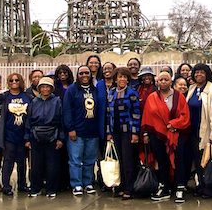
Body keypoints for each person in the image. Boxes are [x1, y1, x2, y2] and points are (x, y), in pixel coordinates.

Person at [142, 70, 191, 202]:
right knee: (161, 161)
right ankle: (164, 187)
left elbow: (185, 115)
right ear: (157, 81)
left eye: (166, 80)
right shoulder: (152, 97)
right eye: (161, 80)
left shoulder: (178, 96)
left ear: (171, 82)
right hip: (157, 134)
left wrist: (174, 124)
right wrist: (146, 133)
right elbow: (147, 117)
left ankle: (180, 187)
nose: (163, 82)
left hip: (175, 134)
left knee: (178, 160)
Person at [62, 65, 104, 196]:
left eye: (87, 73)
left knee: (90, 160)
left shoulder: (95, 90)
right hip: (77, 132)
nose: (84, 75)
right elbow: (67, 110)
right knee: (75, 160)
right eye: (81, 73)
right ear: (77, 75)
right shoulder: (72, 90)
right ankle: (77, 184)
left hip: (92, 131)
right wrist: (71, 129)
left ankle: (88, 183)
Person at [0, 72, 31, 196]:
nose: (14, 83)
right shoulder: (3, 97)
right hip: (8, 135)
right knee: (8, 161)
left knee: (22, 162)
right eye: (11, 81)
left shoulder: (27, 97)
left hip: (23, 135)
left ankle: (22, 185)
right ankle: (6, 186)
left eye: (16, 80)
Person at [186, 63, 212, 199]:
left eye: (202, 72)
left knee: (209, 161)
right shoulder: (192, 89)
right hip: (193, 133)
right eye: (196, 72)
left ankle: (211, 189)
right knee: (198, 162)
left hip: (207, 133)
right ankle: (202, 186)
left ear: (207, 74)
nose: (198, 75)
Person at [105, 67, 140, 199]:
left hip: (128, 132)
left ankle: (129, 188)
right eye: (120, 77)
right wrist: (109, 132)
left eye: (125, 77)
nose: (122, 79)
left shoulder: (132, 93)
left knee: (128, 160)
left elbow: (136, 113)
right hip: (116, 131)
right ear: (115, 78)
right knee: (119, 159)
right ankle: (120, 186)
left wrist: (135, 133)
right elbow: (109, 114)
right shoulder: (112, 93)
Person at [25, 77, 64, 198]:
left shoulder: (57, 101)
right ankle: (35, 188)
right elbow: (28, 120)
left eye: (48, 87)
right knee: (36, 164)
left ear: (51, 88)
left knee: (52, 164)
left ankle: (51, 189)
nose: (45, 89)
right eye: (43, 87)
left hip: (53, 135)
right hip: (36, 136)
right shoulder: (34, 102)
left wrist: (60, 138)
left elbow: (61, 121)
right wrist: (27, 138)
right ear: (39, 88)